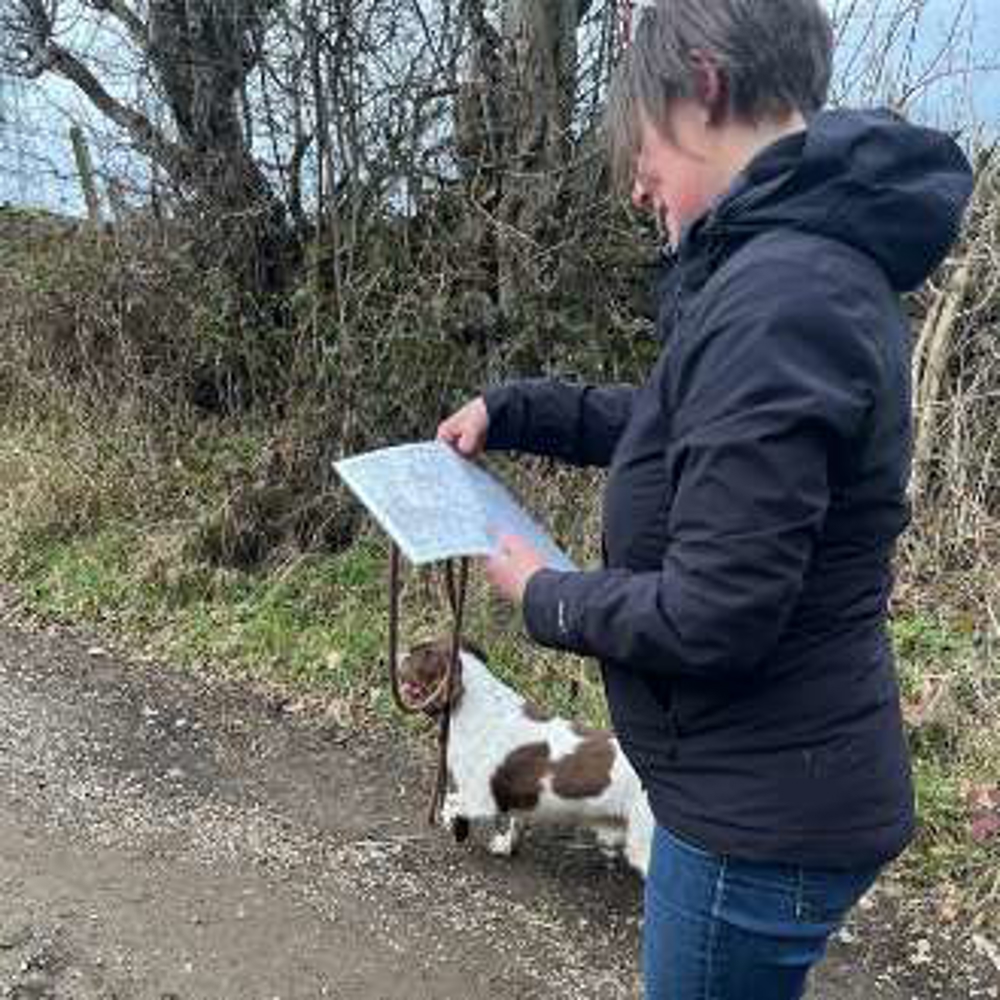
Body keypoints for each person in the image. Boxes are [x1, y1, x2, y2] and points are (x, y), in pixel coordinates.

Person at [437, 1, 973, 997]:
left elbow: (713, 611)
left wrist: (544, 591)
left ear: (704, 85)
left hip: (756, 814)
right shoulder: (788, 270)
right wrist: (516, 411)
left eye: (636, 136)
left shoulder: (785, 296)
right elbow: (687, 427)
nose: (635, 181)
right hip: (767, 783)